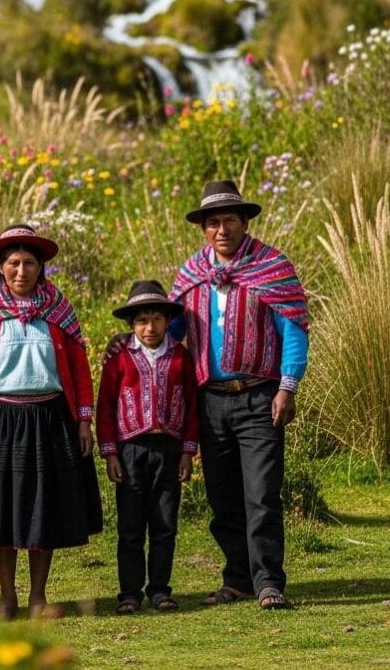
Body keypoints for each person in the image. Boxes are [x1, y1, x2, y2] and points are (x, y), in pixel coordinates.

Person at [0, 223, 102, 620]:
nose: (22, 271)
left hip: (50, 420)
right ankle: (6, 596)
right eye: (13, 263)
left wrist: (83, 421)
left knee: (42, 511)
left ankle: (38, 595)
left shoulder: (58, 311)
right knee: (1, 512)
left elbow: (79, 370)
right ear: (0, 267)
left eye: (30, 263)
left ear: (41, 267)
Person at [172, 179, 309, 611]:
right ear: (203, 229)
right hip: (210, 401)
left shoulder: (272, 266)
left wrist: (288, 386)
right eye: (213, 222)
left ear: (244, 222)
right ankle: (237, 578)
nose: (222, 229)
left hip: (259, 397)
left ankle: (269, 581)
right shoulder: (191, 274)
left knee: (262, 493)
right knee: (223, 496)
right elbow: (173, 332)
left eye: (230, 220)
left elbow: (294, 330)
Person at [96, 280, 199, 615]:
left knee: (165, 523)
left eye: (156, 319)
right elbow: (106, 406)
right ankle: (128, 593)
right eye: (142, 320)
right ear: (131, 324)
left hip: (169, 448)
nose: (149, 326)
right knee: (130, 526)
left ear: (168, 321)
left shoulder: (182, 357)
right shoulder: (119, 359)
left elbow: (193, 406)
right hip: (130, 450)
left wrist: (187, 451)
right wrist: (110, 452)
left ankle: (159, 590)